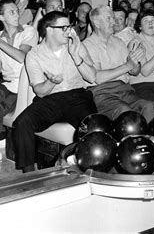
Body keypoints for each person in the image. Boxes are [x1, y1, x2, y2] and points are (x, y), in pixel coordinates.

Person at [13, 11, 96, 173]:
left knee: (94, 126)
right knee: (22, 122)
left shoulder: (76, 45)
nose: (69, 31)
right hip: (50, 99)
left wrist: (75, 55)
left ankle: (92, 168)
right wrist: (51, 82)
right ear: (49, 29)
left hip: (77, 96)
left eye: (69, 26)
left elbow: (92, 77)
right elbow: (40, 91)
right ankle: (29, 173)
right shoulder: (34, 54)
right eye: (64, 27)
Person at [0, 0, 37, 180]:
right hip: (9, 84)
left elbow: (22, 57)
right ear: (1, 17)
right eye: (11, 12)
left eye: (16, 11)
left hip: (26, 86)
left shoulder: (28, 31)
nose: (17, 14)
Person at [83, 5, 154, 122]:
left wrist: (136, 59)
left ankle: (148, 140)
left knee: (148, 105)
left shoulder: (118, 42)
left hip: (124, 90)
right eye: (109, 19)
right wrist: (128, 65)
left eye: (114, 18)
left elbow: (135, 72)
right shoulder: (87, 45)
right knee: (125, 111)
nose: (114, 22)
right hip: (102, 93)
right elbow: (98, 78)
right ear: (96, 23)